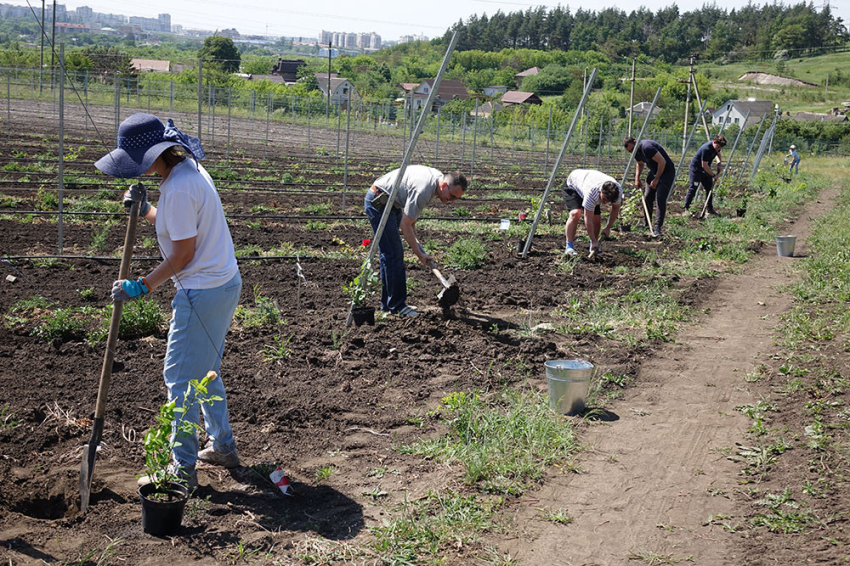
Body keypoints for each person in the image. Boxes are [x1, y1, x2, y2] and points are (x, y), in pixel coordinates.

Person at [95, 113, 242, 489]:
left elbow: (182, 256)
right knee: (205, 373)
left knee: (179, 378)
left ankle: (182, 471)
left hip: (201, 292)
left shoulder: (178, 188)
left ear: (151, 156)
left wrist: (141, 286)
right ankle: (223, 446)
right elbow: (182, 227)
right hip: (223, 284)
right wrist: (147, 211)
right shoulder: (189, 172)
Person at [364, 166, 468, 317]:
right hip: (378, 203)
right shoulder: (424, 191)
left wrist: (418, 245)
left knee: (390, 254)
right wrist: (420, 255)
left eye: (455, 199)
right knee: (394, 254)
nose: (451, 201)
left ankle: (388, 305)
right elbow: (405, 224)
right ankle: (397, 306)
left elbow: (411, 221)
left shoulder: (437, 179)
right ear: (444, 185)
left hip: (391, 203)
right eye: (451, 196)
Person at [562, 169, 622, 258]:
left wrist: (608, 228)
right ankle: (569, 247)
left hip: (588, 182)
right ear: (601, 191)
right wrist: (593, 240)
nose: (605, 203)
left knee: (597, 220)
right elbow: (588, 220)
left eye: (608, 201)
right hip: (573, 185)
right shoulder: (592, 193)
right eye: (604, 200)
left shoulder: (617, 191)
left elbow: (615, 209)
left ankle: (593, 246)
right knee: (575, 213)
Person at [623, 136, 676, 237]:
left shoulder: (647, 147)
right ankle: (647, 224)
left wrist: (656, 179)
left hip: (666, 172)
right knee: (647, 197)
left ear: (635, 142)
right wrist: (637, 178)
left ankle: (657, 228)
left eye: (632, 149)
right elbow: (640, 164)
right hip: (654, 171)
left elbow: (662, 162)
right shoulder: (636, 151)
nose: (631, 152)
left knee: (660, 199)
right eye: (629, 151)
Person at [683, 134, 726, 216]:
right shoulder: (706, 149)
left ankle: (709, 209)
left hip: (705, 170)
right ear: (714, 142)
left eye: (720, 148)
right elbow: (704, 165)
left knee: (709, 187)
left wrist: (719, 163)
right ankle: (686, 208)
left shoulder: (716, 148)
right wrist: (713, 175)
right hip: (696, 169)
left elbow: (718, 154)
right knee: (693, 187)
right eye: (718, 147)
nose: (719, 149)